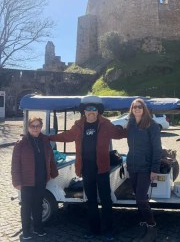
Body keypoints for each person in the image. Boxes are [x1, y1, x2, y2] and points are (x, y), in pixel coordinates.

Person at [49, 96, 127, 241]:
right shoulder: (78, 125)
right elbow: (65, 136)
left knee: (106, 200)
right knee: (90, 200)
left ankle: (109, 230)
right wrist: (47, 138)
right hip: (86, 170)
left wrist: (137, 128)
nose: (91, 111)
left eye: (94, 109)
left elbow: (119, 134)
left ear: (98, 111)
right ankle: (93, 229)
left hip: (102, 170)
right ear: (84, 111)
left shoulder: (106, 124)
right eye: (88, 109)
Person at [11, 116, 58, 240]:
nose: (35, 128)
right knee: (26, 207)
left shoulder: (45, 141)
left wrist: (53, 172)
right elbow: (15, 163)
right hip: (26, 181)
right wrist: (16, 181)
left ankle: (38, 228)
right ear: (28, 127)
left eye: (38, 126)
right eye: (33, 126)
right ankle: (26, 232)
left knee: (38, 205)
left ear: (41, 127)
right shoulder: (21, 143)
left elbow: (51, 158)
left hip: (41, 179)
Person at [126, 98, 162, 242]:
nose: (137, 109)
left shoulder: (151, 125)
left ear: (144, 108)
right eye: (134, 106)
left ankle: (152, 227)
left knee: (141, 198)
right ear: (132, 109)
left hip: (146, 168)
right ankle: (145, 224)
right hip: (133, 166)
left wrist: (154, 169)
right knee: (138, 197)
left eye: (140, 106)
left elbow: (157, 148)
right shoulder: (131, 124)